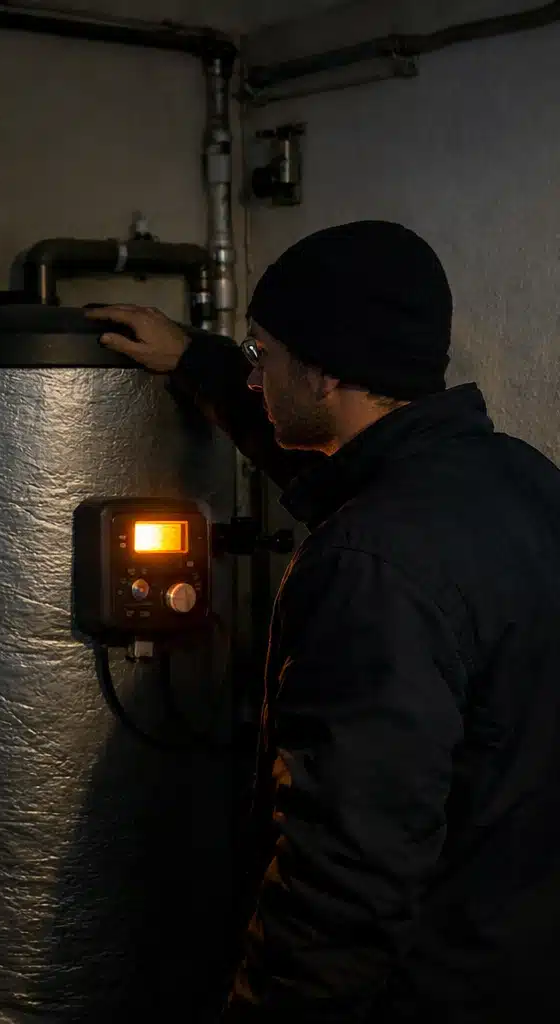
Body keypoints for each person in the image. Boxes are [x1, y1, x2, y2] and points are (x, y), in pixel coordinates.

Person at [87, 220, 560, 1022]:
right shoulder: (522, 481)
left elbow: (346, 871)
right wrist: (198, 361)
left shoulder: (369, 566)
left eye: (262, 354)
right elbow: (342, 469)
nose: (254, 376)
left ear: (326, 369)